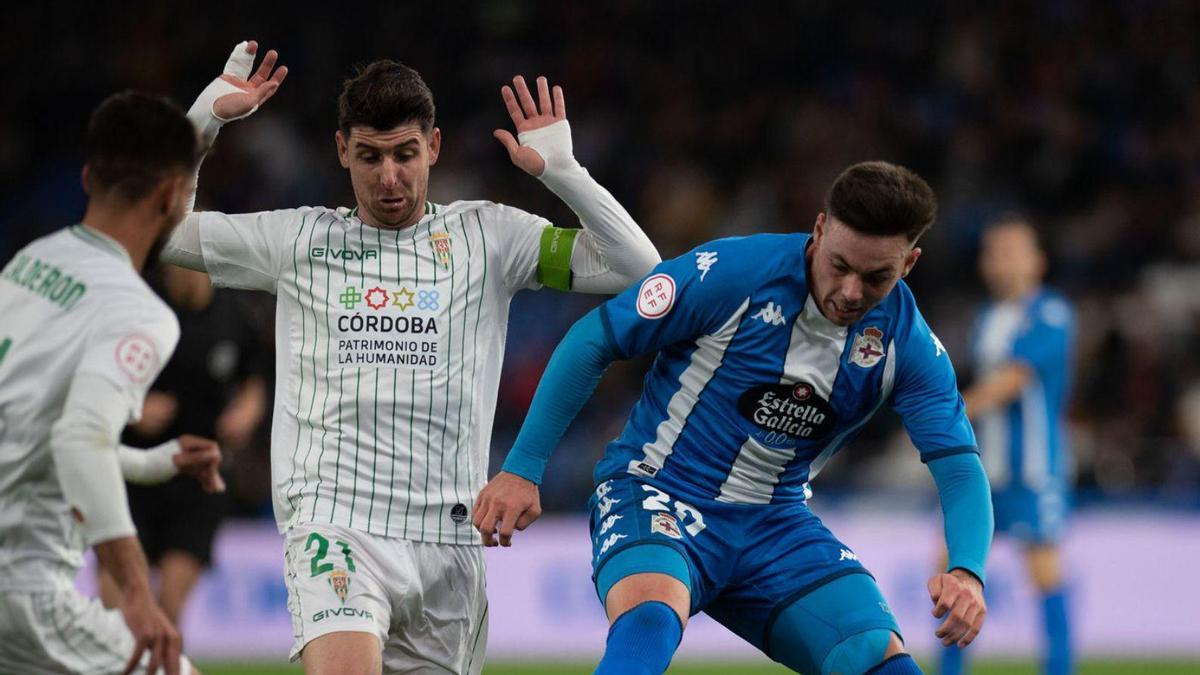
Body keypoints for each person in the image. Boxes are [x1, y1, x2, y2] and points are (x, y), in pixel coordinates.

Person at [160, 42, 659, 674]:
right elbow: (165, 228)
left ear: (436, 147)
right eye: (369, 156)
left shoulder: (491, 236)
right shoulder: (296, 240)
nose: (388, 177)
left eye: (405, 154)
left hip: (451, 536)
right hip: (333, 523)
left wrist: (563, 173)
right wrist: (205, 120)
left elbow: (636, 268)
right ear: (343, 150)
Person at [476, 161, 995, 675]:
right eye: (840, 266)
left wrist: (968, 571)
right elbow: (594, 339)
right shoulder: (733, 273)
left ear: (909, 264)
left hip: (775, 520)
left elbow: (959, 466)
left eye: (877, 277)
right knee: (651, 614)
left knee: (879, 660)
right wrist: (524, 466)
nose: (851, 292)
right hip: (659, 490)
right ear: (818, 230)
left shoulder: (909, 344)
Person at [0, 92, 224, 675]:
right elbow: (79, 440)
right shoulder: (139, 313)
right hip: (24, 590)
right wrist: (135, 594)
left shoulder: (30, 261)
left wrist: (152, 462)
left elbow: (38, 428)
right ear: (172, 196)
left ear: (87, 175)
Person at [98, 264, 269, 626]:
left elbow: (256, 379)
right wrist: (134, 410)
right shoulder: (138, 309)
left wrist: (244, 414)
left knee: (168, 613)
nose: (182, 269)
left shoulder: (234, 313)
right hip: (132, 476)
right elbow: (96, 378)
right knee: (118, 612)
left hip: (200, 480)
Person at [940, 216, 1075, 675]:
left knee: (1044, 571)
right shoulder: (986, 318)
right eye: (994, 251)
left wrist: (947, 415)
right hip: (983, 467)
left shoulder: (1051, 313)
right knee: (951, 569)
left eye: (1013, 250)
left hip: (1033, 468)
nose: (1003, 261)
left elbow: (1013, 381)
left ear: (1038, 261)